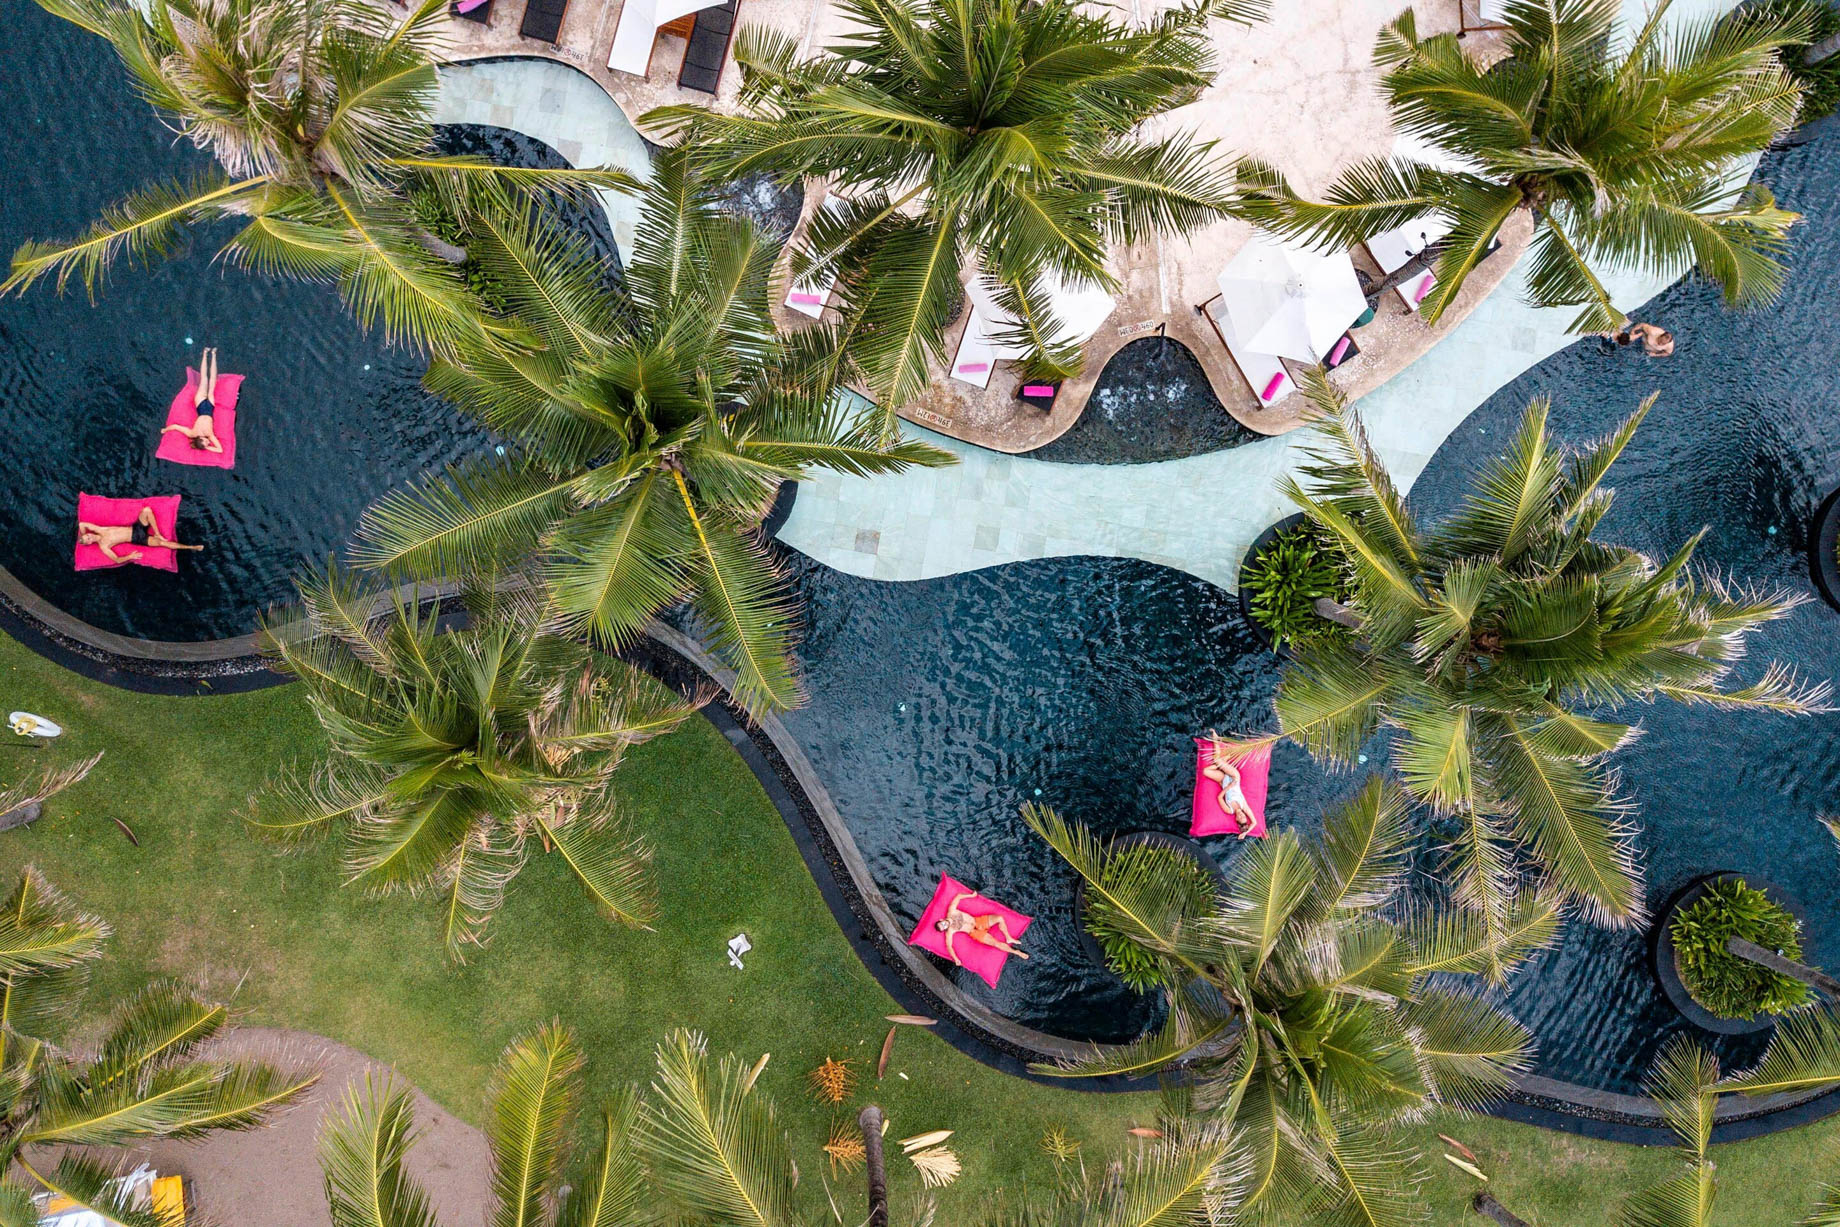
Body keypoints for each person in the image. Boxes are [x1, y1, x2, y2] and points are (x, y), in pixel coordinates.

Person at [77, 505, 202, 564]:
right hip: (137, 538)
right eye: (88, 539)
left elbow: (82, 524)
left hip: (135, 528)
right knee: (162, 544)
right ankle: (192, 547)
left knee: (147, 510)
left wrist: (82, 535)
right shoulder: (103, 546)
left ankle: (157, 533)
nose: (90, 536)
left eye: (88, 535)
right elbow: (116, 559)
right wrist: (130, 556)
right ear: (89, 542)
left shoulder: (98, 529)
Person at [934, 890, 1028, 965]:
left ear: (942, 919)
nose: (944, 925)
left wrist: (971, 896)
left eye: (942, 924)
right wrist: (956, 959)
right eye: (943, 927)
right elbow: (949, 946)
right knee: (996, 943)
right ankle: (1017, 952)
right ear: (944, 929)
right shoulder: (950, 931)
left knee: (999, 918)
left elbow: (958, 897)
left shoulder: (951, 912)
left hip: (977, 921)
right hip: (974, 932)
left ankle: (1008, 937)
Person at [161, 347, 224, 452]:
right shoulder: (210, 435)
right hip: (209, 409)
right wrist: (207, 447)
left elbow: (176, 427)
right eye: (208, 443)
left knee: (204, 378)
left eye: (206, 442)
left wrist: (165, 430)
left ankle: (204, 353)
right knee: (212, 380)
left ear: (200, 439)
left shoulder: (192, 433)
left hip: (200, 406)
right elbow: (220, 450)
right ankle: (213, 355)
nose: (209, 442)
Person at [1201, 738, 1257, 837]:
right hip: (1234, 777)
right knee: (1217, 760)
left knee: (1205, 771)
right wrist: (1245, 833)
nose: (1241, 815)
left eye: (1240, 817)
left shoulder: (1229, 810)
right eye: (1243, 816)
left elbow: (1219, 797)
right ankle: (1215, 738)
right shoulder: (1244, 806)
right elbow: (1254, 823)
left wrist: (1227, 787)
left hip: (1223, 781)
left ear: (1236, 819)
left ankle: (1222, 763)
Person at [1602, 322, 1674, 358]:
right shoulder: (1652, 332)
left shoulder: (1669, 346)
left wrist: (1655, 355)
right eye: (1660, 341)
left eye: (1663, 344)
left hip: (1647, 352)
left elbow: (1667, 353)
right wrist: (1633, 330)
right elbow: (1642, 325)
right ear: (1660, 336)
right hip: (1640, 341)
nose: (1660, 344)